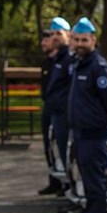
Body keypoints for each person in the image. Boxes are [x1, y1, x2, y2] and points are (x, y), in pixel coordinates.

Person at [66, 17, 107, 213]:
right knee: (88, 186)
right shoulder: (81, 64)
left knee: (95, 186)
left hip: (93, 136)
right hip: (81, 135)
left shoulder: (98, 67)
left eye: (84, 40)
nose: (79, 43)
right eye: (76, 39)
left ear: (93, 40)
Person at [39, 17, 71, 196]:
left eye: (59, 33)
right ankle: (56, 180)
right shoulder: (53, 59)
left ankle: (66, 184)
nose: (55, 37)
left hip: (62, 110)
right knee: (50, 147)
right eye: (53, 34)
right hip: (51, 106)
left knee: (63, 148)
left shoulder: (69, 58)